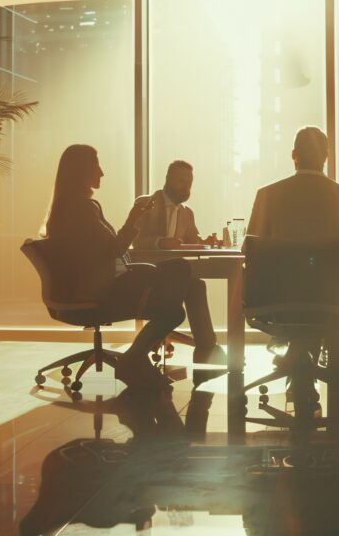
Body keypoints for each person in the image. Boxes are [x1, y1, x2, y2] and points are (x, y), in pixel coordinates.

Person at [43, 145, 195, 389]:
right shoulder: (82, 210)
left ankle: (138, 356)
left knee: (174, 299)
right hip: (102, 290)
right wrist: (134, 218)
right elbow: (115, 250)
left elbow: (106, 251)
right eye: (96, 166)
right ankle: (135, 358)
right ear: (82, 172)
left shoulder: (69, 208)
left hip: (99, 284)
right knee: (178, 276)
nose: (102, 173)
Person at [132, 160, 222, 362]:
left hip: (173, 276)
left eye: (189, 182)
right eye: (181, 181)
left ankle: (206, 348)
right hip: (147, 275)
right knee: (194, 286)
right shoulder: (146, 203)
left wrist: (204, 241)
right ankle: (207, 347)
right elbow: (135, 242)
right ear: (167, 180)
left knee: (196, 285)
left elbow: (191, 240)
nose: (186, 187)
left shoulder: (186, 213)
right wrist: (159, 242)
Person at [246, 126, 339, 255]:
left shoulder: (266, 196)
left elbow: (249, 248)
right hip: (334, 280)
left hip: (284, 279)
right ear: (326, 157)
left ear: (294, 155)